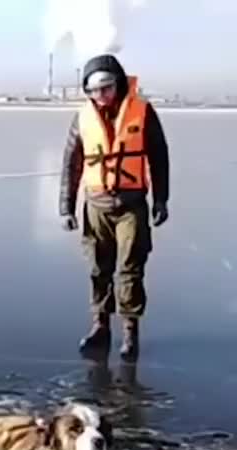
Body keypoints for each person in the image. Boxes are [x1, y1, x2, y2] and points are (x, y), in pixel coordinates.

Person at [58, 53, 170, 363]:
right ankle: (100, 326)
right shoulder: (82, 118)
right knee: (98, 267)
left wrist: (161, 199)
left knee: (130, 267)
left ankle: (130, 332)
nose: (100, 97)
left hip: (131, 204)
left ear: (118, 85)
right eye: (93, 91)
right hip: (96, 204)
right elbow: (71, 163)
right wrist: (66, 207)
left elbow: (159, 156)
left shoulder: (143, 112)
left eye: (105, 89)